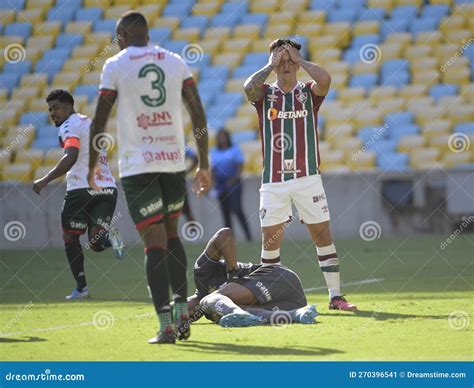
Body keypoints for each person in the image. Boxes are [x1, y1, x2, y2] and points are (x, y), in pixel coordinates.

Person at [87, 11, 211, 344]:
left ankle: (166, 326)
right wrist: (204, 163)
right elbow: (198, 112)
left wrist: (91, 164)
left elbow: (100, 119)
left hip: (138, 167)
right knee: (172, 236)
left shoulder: (115, 64)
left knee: (154, 242)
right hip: (173, 162)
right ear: (147, 33)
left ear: (122, 37)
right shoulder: (174, 61)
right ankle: (183, 311)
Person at [243, 39, 357, 311]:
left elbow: (326, 80)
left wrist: (301, 60)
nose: (285, 66)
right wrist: (269, 65)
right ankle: (272, 300)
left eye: (289, 61)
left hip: (308, 178)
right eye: (279, 62)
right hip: (274, 182)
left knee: (322, 235)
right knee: (270, 243)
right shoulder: (265, 94)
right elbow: (248, 88)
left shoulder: (308, 92)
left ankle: (335, 296)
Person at [33, 89, 124, 300]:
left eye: (56, 107)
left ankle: (82, 289)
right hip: (107, 188)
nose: (52, 113)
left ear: (69, 105)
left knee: (70, 236)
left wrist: (45, 180)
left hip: (80, 188)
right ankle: (110, 237)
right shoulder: (90, 123)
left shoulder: (69, 125)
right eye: (49, 109)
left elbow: (71, 156)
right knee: (95, 242)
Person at [186, 228, 318, 328]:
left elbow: (224, 234)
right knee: (248, 314)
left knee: (207, 300)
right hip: (293, 302)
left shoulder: (202, 274)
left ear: (184, 299)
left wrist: (233, 273)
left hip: (277, 277)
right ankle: (297, 314)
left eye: (183, 309)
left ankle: (238, 312)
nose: (189, 313)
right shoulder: (213, 311)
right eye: (187, 318)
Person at [210, 129, 252, 241]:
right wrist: (212, 182)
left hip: (234, 183)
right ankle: (229, 240)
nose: (222, 138)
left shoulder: (235, 149)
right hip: (220, 184)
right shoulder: (214, 151)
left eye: (224, 136)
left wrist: (234, 179)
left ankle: (248, 237)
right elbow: (213, 169)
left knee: (237, 209)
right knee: (225, 212)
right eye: (220, 136)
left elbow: (240, 165)